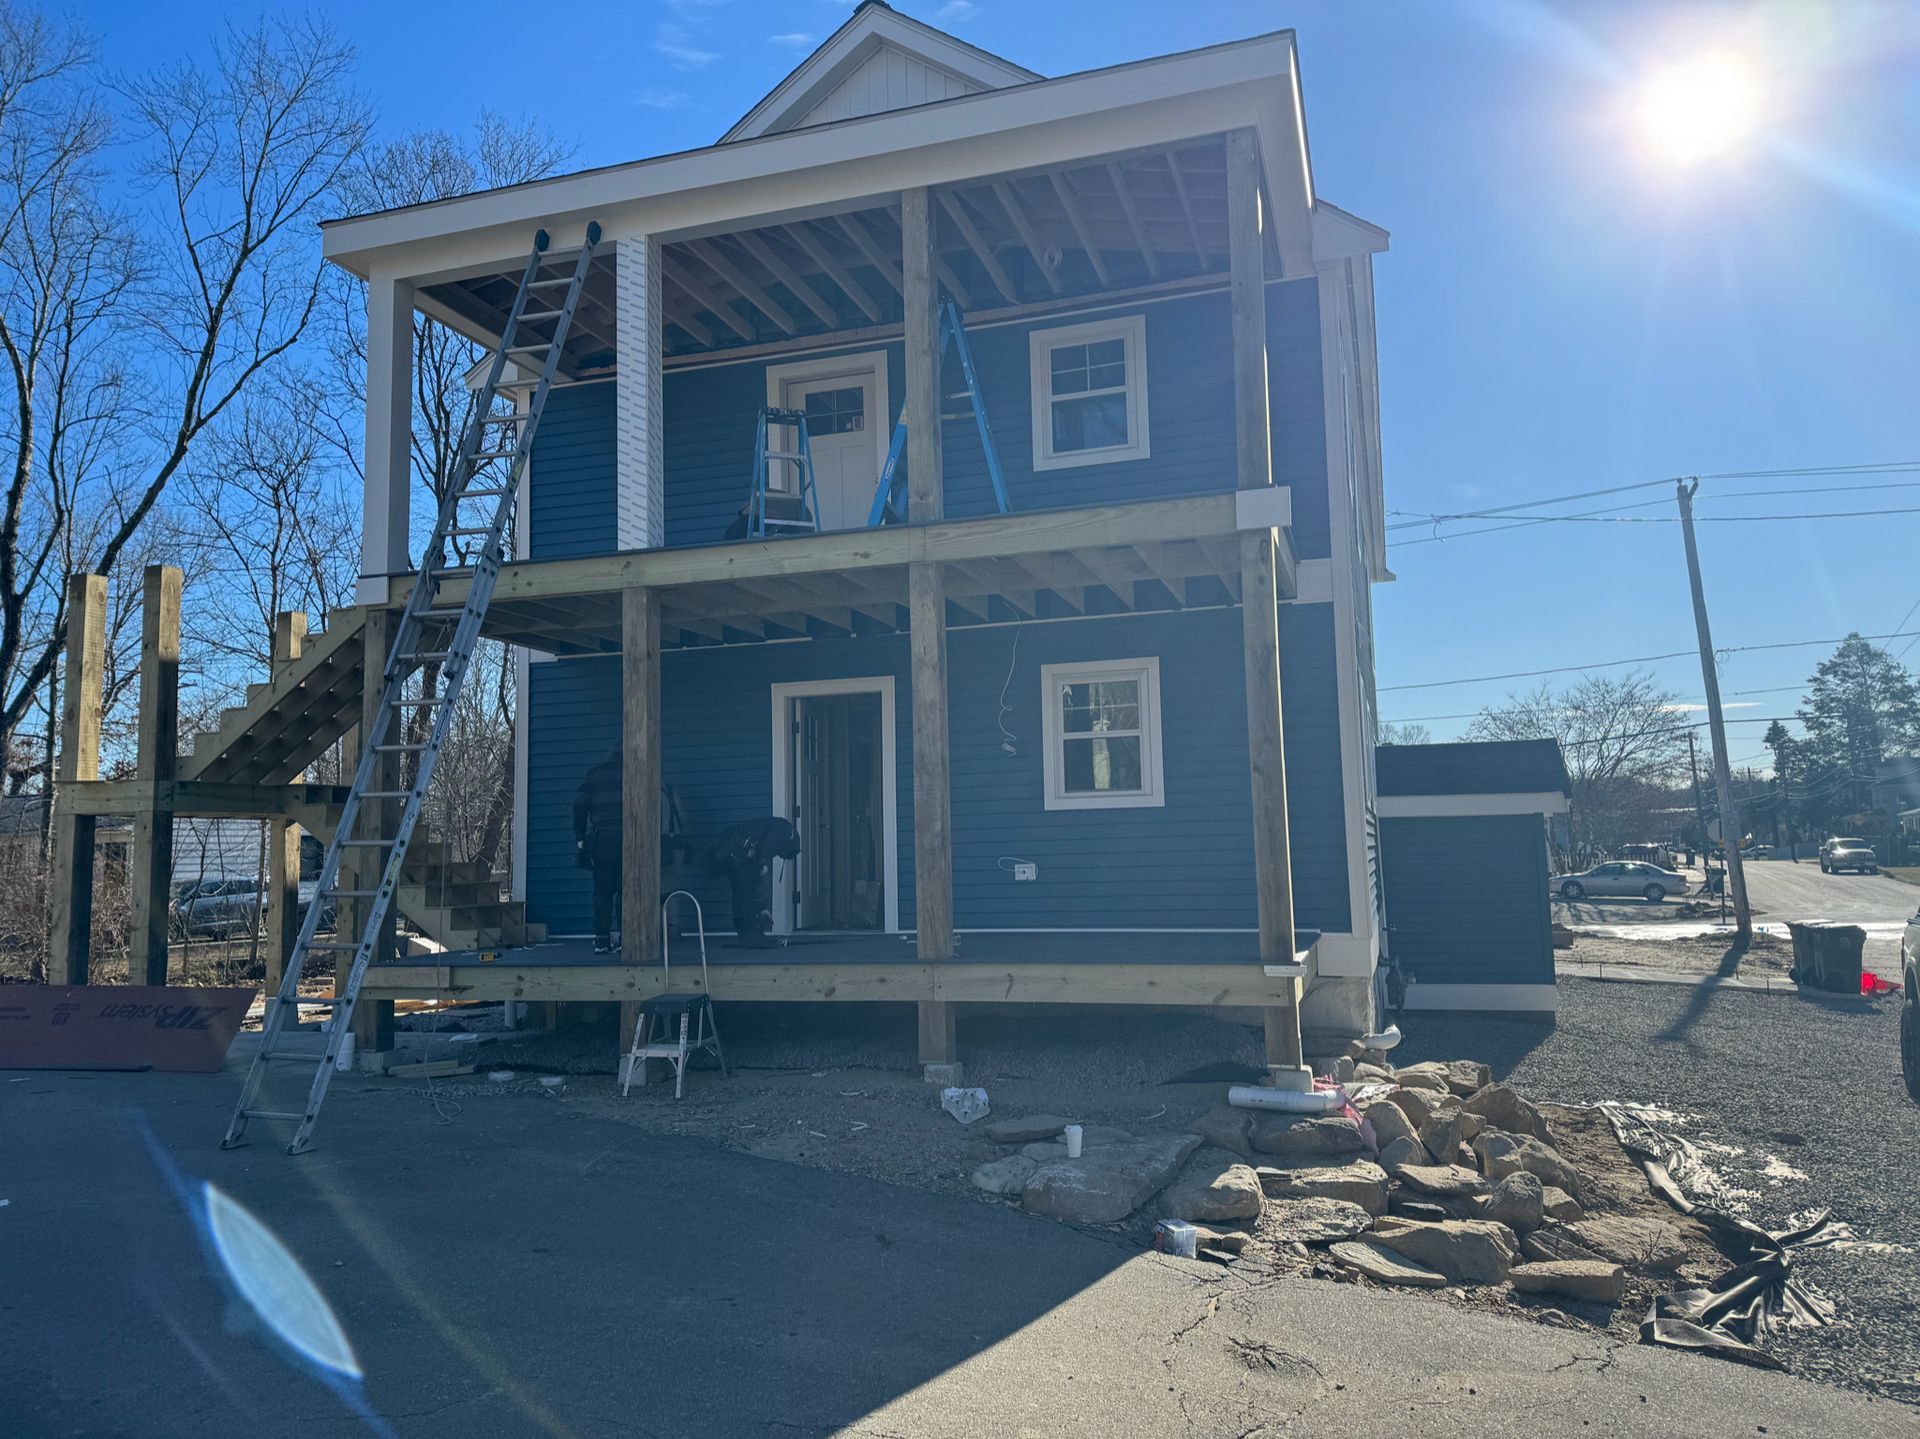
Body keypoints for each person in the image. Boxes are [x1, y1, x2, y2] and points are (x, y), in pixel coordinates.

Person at [706, 816, 800, 946]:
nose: (779, 855)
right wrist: (763, 864)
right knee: (750, 889)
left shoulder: (773, 825)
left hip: (726, 849)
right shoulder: (787, 832)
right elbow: (769, 846)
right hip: (740, 851)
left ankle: (744, 933)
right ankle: (753, 935)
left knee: (739, 892)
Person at [573, 750, 623, 953]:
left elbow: (579, 807)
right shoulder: (635, 772)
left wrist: (580, 840)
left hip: (602, 840)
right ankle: (626, 936)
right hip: (631, 839)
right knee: (627, 890)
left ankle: (601, 939)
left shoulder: (594, 774)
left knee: (602, 891)